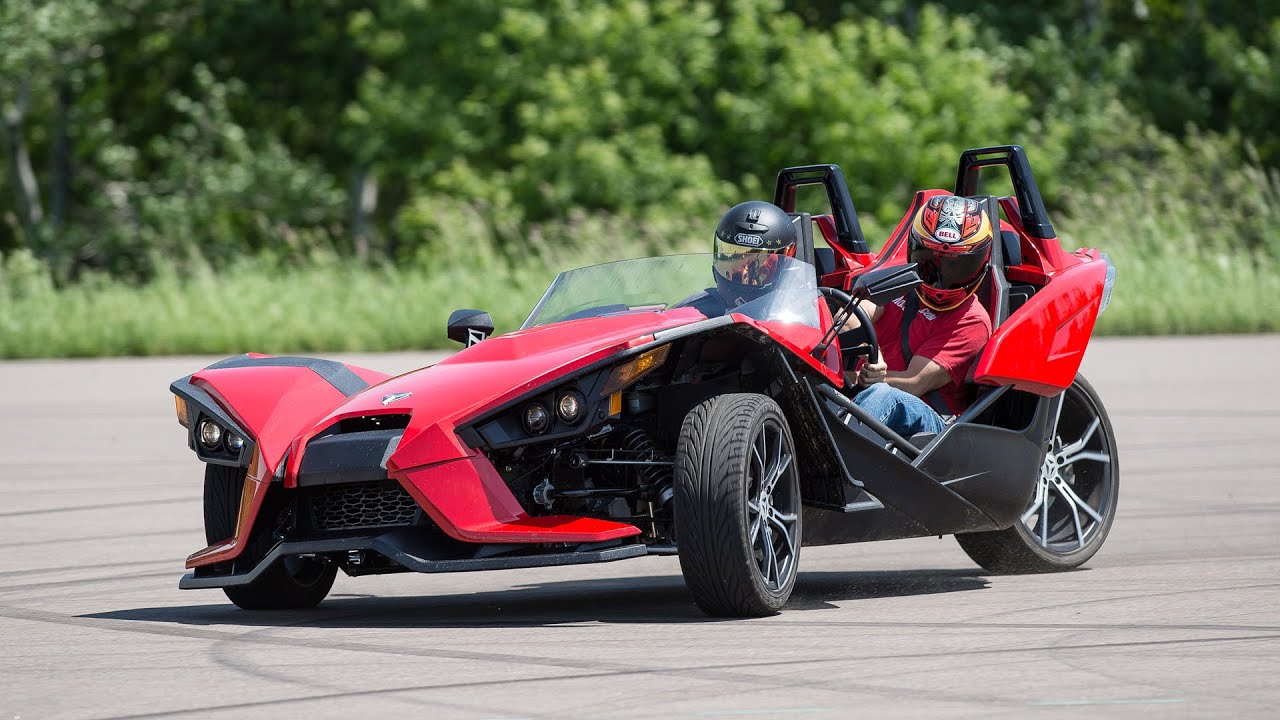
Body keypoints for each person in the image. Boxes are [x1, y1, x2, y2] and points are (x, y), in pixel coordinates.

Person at [848, 195, 994, 437]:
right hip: (866, 396)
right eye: (930, 261)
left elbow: (914, 382)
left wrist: (860, 377)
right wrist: (871, 353)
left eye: (956, 266)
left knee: (882, 395)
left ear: (982, 261)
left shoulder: (973, 322)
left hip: (930, 426)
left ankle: (835, 461)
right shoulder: (901, 285)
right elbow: (852, 314)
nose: (942, 277)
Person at [680, 200, 799, 318]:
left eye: (756, 266)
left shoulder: (798, 313)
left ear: (785, 265)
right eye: (733, 256)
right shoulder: (694, 308)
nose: (744, 272)